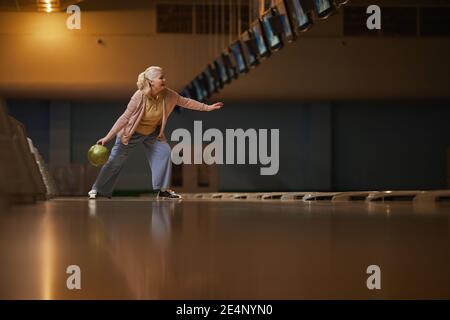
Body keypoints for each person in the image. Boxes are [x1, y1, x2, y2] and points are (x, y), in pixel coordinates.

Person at [88, 66, 224, 200]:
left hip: (152, 133)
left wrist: (207, 108)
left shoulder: (169, 95)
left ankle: (163, 190)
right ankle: (97, 189)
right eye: (161, 77)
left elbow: (186, 102)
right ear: (151, 82)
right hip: (130, 134)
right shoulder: (139, 96)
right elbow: (125, 118)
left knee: (164, 152)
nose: (164, 79)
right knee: (115, 161)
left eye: (164, 77)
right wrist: (108, 137)